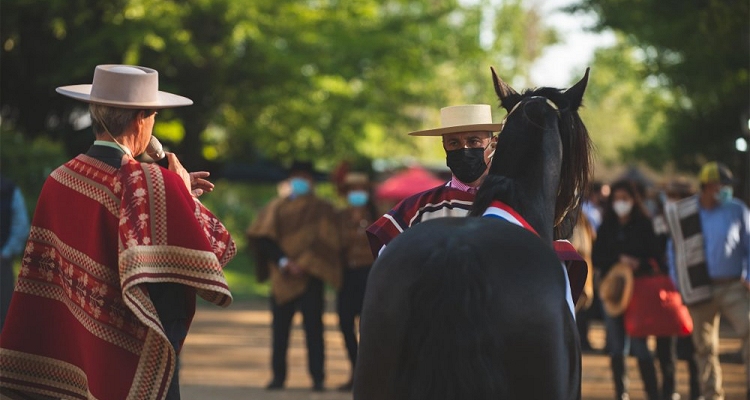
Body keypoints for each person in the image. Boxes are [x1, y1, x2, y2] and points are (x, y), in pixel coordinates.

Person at [0, 64, 235, 400]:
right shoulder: (154, 183)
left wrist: (175, 194)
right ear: (142, 118)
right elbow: (215, 251)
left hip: (74, 346)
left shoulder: (59, 180)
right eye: (154, 115)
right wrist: (181, 193)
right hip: (137, 352)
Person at [366, 104, 588, 305]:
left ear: (494, 144)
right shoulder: (417, 209)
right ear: (444, 146)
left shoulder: (519, 209)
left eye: (473, 141)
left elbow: (552, 269)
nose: (463, 149)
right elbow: (388, 277)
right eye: (454, 143)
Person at [246, 160, 342, 392]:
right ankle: (278, 377)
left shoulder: (323, 208)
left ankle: (318, 378)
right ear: (290, 180)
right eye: (297, 177)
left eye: (305, 177)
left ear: (312, 181)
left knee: (314, 330)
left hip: (312, 275)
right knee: (280, 331)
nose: (301, 181)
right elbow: (262, 237)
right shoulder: (275, 207)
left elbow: (329, 241)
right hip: (282, 276)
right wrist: (284, 262)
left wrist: (304, 264)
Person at [665, 162, 750, 400]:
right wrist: (678, 282)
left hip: (733, 286)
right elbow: (674, 251)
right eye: (722, 185)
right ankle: (712, 395)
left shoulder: (737, 210)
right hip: (699, 288)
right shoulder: (686, 214)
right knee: (705, 347)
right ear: (708, 186)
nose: (725, 190)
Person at [592, 179, 663, 400]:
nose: (620, 203)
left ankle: (653, 393)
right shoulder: (606, 226)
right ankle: (621, 393)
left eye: (625, 199)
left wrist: (638, 263)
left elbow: (656, 257)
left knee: (641, 345)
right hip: (612, 293)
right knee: (616, 345)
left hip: (638, 293)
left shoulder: (644, 224)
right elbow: (597, 257)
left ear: (634, 200)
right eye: (616, 199)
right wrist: (617, 259)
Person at [334, 172, 377, 391]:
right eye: (352, 190)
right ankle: (355, 370)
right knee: (344, 324)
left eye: (360, 189)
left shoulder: (378, 216)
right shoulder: (339, 218)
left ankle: (370, 377)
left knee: (369, 327)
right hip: (346, 276)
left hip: (371, 276)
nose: (356, 194)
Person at [0, 176, 30, 331]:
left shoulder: (9, 191)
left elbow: (21, 226)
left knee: (3, 317)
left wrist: (6, 253)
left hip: (2, 265)